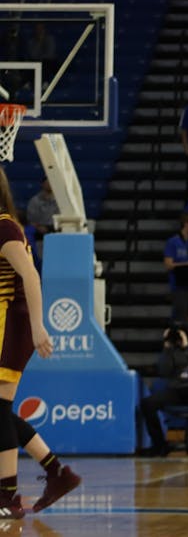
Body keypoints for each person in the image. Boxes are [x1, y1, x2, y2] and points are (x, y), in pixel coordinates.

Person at [0, 169, 80, 518]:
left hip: (11, 329)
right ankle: (56, 472)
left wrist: (38, 327)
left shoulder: (4, 226)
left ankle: (7, 496)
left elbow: (30, 274)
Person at [140, 313, 188, 457]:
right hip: (178, 388)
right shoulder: (174, 346)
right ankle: (160, 445)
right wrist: (167, 348)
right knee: (148, 403)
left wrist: (187, 347)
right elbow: (164, 371)